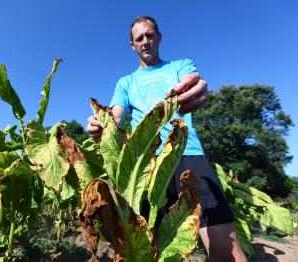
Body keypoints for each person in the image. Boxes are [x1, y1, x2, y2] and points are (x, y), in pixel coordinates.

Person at [86, 16, 247, 262]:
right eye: (139, 38)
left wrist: (196, 89)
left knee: (227, 250)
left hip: (188, 154)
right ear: (132, 45)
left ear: (159, 37)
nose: (146, 41)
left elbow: (192, 82)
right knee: (152, 250)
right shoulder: (126, 82)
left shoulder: (180, 65)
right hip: (146, 166)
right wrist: (101, 125)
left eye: (150, 35)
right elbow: (116, 114)